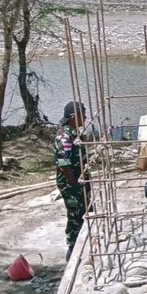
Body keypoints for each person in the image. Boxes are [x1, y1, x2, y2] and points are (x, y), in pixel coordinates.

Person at [54, 101, 89, 260]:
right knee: (76, 214)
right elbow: (63, 164)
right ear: (74, 117)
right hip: (71, 183)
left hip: (79, 181)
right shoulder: (65, 136)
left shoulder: (74, 133)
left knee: (85, 211)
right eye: (83, 114)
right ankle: (73, 250)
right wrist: (74, 185)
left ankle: (84, 244)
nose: (86, 117)